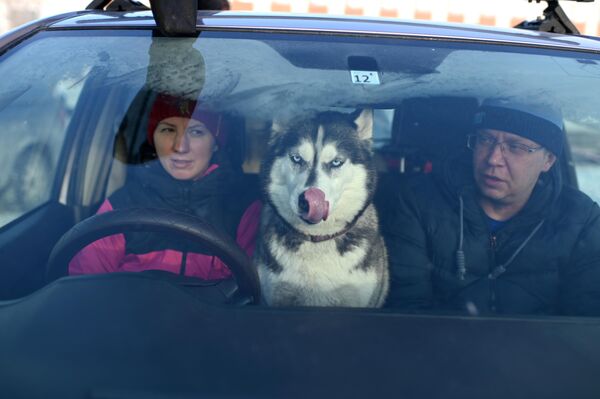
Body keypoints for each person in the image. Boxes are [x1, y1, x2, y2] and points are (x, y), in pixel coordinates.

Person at [384, 99, 600, 316]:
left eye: (515, 147)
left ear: (549, 160)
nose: (493, 159)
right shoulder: (420, 203)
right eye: (485, 140)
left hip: (541, 349)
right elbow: (407, 312)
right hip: (438, 347)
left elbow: (585, 323)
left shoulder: (581, 220)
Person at [69, 93, 260, 280]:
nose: (180, 147)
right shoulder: (121, 206)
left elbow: (258, 295)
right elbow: (83, 286)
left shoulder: (246, 211)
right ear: (153, 138)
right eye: (168, 130)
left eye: (196, 131)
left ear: (217, 143)